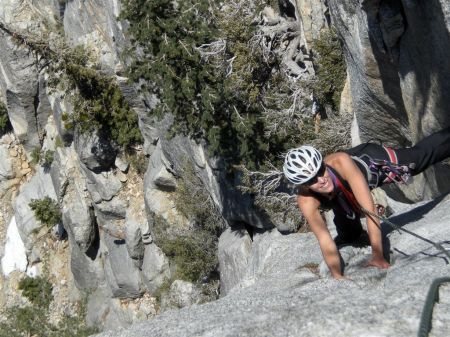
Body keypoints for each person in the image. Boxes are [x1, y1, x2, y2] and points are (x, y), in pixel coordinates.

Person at [283, 127, 450, 279]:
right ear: (304, 186)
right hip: (341, 197)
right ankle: (350, 232)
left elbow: (369, 209)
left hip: (371, 164)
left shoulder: (341, 162)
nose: (321, 179)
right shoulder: (306, 201)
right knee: (349, 235)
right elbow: (324, 238)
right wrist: (337, 277)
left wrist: (378, 255)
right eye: (312, 180)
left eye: (320, 170)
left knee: (417, 160)